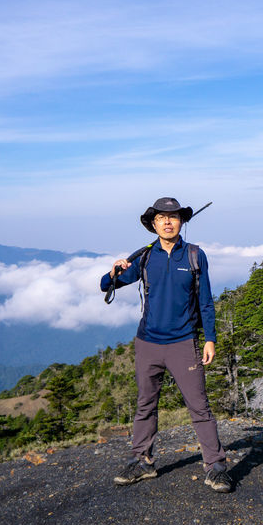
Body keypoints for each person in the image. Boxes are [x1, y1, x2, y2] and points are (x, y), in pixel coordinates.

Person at [101, 196, 231, 493]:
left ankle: (216, 467)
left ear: (182, 221)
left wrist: (210, 338)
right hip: (147, 342)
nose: (168, 221)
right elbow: (105, 286)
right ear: (154, 224)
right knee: (145, 404)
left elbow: (206, 301)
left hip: (184, 342)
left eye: (173, 217)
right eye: (162, 217)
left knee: (199, 406)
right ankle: (143, 462)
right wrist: (115, 270)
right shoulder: (145, 258)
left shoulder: (195, 256)